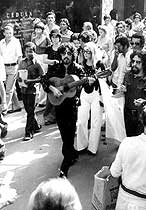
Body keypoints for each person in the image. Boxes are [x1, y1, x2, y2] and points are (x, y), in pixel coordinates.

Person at [42, 43, 86, 177]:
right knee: (63, 134)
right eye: (63, 54)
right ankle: (72, 153)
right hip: (59, 105)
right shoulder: (55, 67)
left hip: (72, 106)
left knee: (70, 133)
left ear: (73, 55)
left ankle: (64, 167)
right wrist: (52, 88)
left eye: (69, 54)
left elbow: (83, 87)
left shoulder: (78, 69)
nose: (66, 56)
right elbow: (44, 80)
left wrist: (85, 83)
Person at [120, 51, 146, 137]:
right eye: (133, 61)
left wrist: (145, 101)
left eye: (138, 62)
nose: (134, 64)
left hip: (142, 117)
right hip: (127, 115)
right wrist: (121, 90)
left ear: (144, 64)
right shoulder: (127, 76)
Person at [76, 42, 103, 155]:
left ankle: (93, 147)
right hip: (84, 94)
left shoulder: (99, 64)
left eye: (88, 51)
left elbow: (105, 81)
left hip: (96, 93)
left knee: (96, 121)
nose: (86, 53)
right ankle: (81, 145)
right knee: (82, 120)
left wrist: (96, 79)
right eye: (84, 51)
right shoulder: (81, 65)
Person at [18, 42, 44, 141]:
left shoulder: (37, 63)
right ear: (24, 52)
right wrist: (20, 80)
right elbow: (19, 75)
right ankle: (36, 126)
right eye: (27, 51)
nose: (29, 53)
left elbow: (42, 78)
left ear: (34, 51)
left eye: (31, 51)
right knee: (28, 110)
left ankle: (28, 132)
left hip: (33, 90)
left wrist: (31, 81)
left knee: (30, 111)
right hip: (24, 90)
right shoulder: (22, 62)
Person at [0, 24, 22, 113]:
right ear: (4, 33)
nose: (9, 35)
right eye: (7, 33)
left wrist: (19, 69)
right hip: (3, 67)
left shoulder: (16, 42)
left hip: (13, 67)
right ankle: (16, 106)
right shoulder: (1, 42)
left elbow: (20, 56)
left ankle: (4, 110)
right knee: (11, 88)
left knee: (8, 89)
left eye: (10, 33)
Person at [43, 29, 61, 125]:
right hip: (51, 73)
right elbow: (44, 60)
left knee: (60, 93)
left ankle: (57, 116)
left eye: (56, 37)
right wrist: (53, 61)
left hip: (60, 73)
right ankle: (48, 116)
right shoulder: (48, 48)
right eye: (53, 37)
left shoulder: (62, 48)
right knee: (50, 93)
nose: (55, 39)